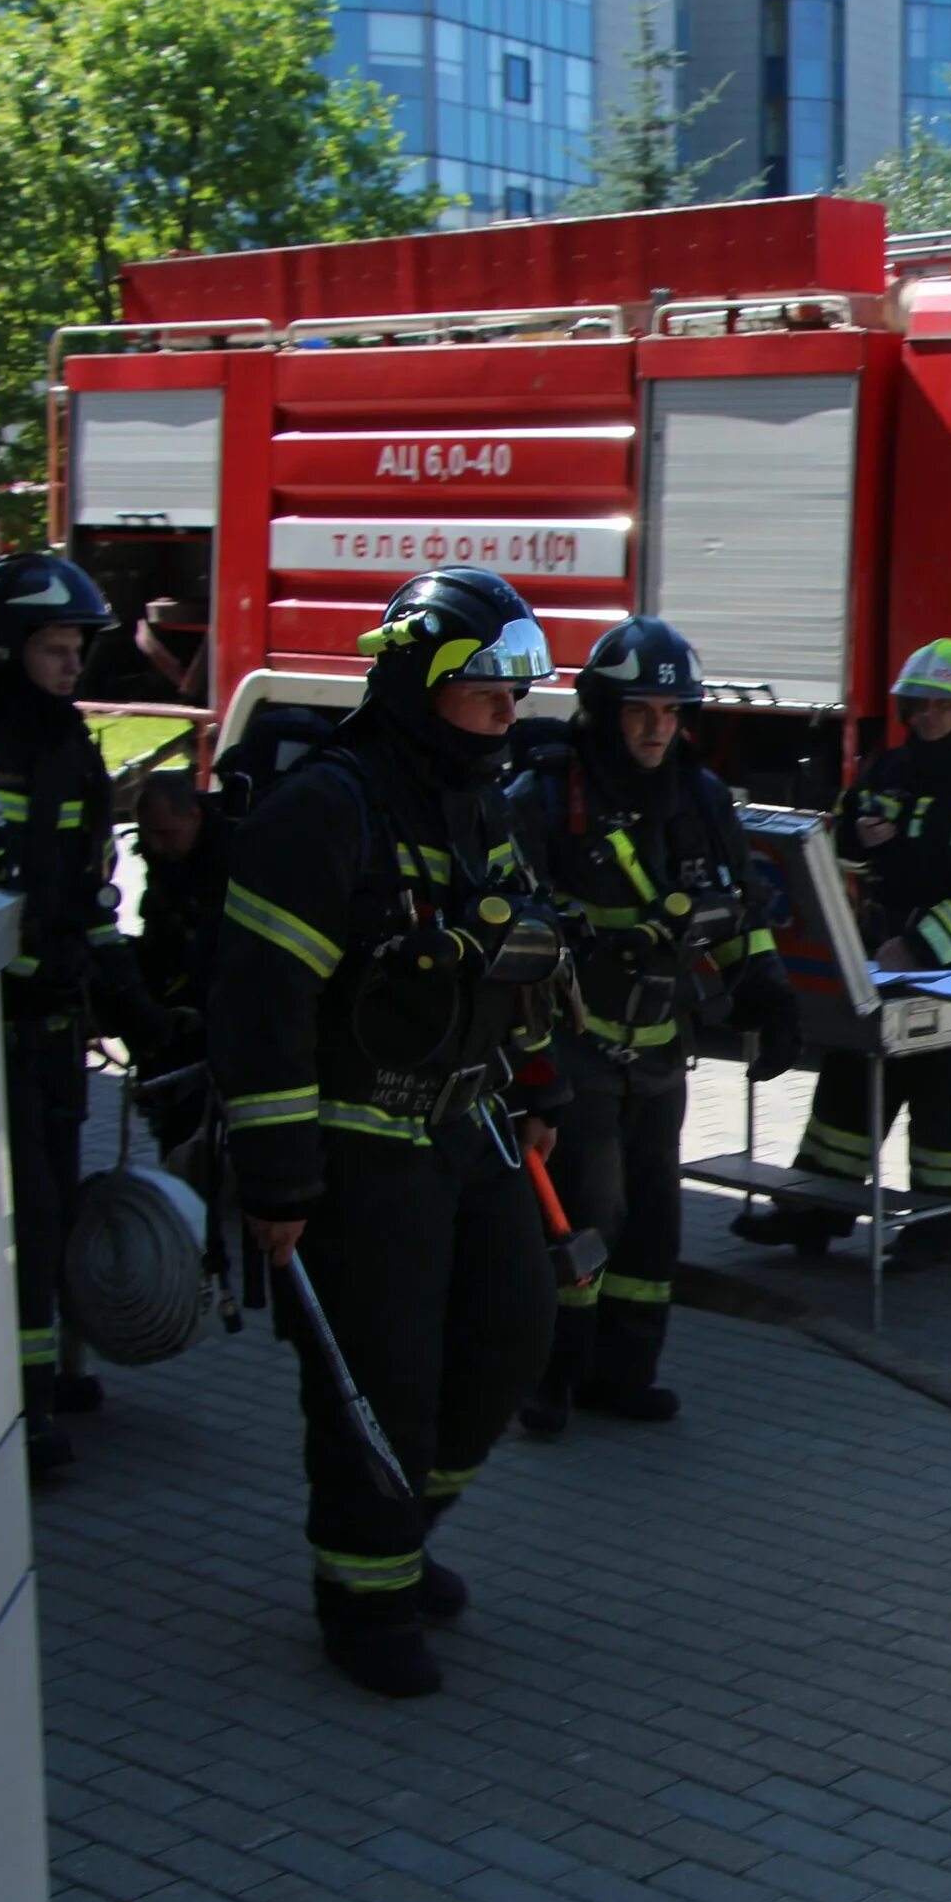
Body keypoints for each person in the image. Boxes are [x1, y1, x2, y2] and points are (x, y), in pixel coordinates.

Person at [206, 566, 568, 1699]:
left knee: (514, 1333)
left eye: (520, 694)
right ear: (420, 683)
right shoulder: (325, 810)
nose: (510, 715)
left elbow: (525, 953)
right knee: (382, 1382)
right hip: (357, 1156)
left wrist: (541, 1081)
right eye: (489, 692)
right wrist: (277, 1180)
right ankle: (364, 1604)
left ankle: (404, 1531)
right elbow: (259, 1014)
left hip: (472, 1133)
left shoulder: (479, 803)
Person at [0, 553, 166, 1477]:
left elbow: (89, 894)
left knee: (54, 1196)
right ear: (4, 647)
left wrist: (138, 1004)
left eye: (74, 650)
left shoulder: (64, 745)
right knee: (12, 1219)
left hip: (53, 1022)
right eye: (53, 649)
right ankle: (17, 1412)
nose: (70, 667)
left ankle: (45, 1373)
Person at [510, 617, 798, 1436]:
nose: (657, 728)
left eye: (672, 713)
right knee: (581, 1220)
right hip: (576, 1048)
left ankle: (624, 1375)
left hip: (661, 1051)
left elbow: (739, 911)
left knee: (649, 1225)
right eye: (641, 711)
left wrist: (766, 994)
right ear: (603, 709)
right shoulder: (544, 797)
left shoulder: (700, 799)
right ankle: (548, 1378)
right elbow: (506, 923)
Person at [733, 638, 951, 1272]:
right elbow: (836, 843)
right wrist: (855, 839)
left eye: (938, 706)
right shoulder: (887, 769)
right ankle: (813, 1212)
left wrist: (919, 947)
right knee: (847, 1079)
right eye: (915, 705)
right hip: (875, 954)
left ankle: (941, 1224)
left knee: (943, 1096)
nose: (925, 716)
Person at [131, 769, 225, 1148]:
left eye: (166, 834)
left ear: (194, 817)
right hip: (168, 1003)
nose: (155, 846)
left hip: (211, 1011)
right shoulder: (167, 855)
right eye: (148, 834)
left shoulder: (231, 860)